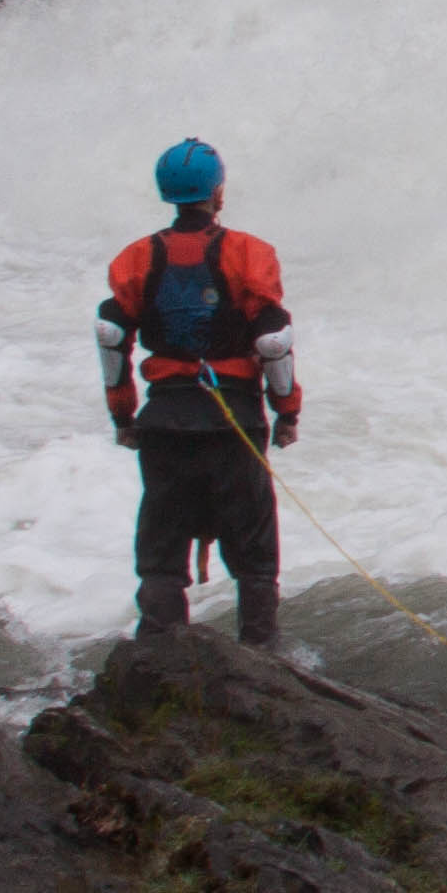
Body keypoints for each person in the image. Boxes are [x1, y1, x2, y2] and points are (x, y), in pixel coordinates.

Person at [98, 138, 300, 648]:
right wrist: (287, 413)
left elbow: (111, 335)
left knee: (162, 557)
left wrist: (123, 417)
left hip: (164, 421)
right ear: (218, 192)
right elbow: (273, 342)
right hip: (234, 422)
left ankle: (158, 654)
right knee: (255, 560)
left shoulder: (136, 258)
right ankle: (262, 657)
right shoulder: (249, 254)